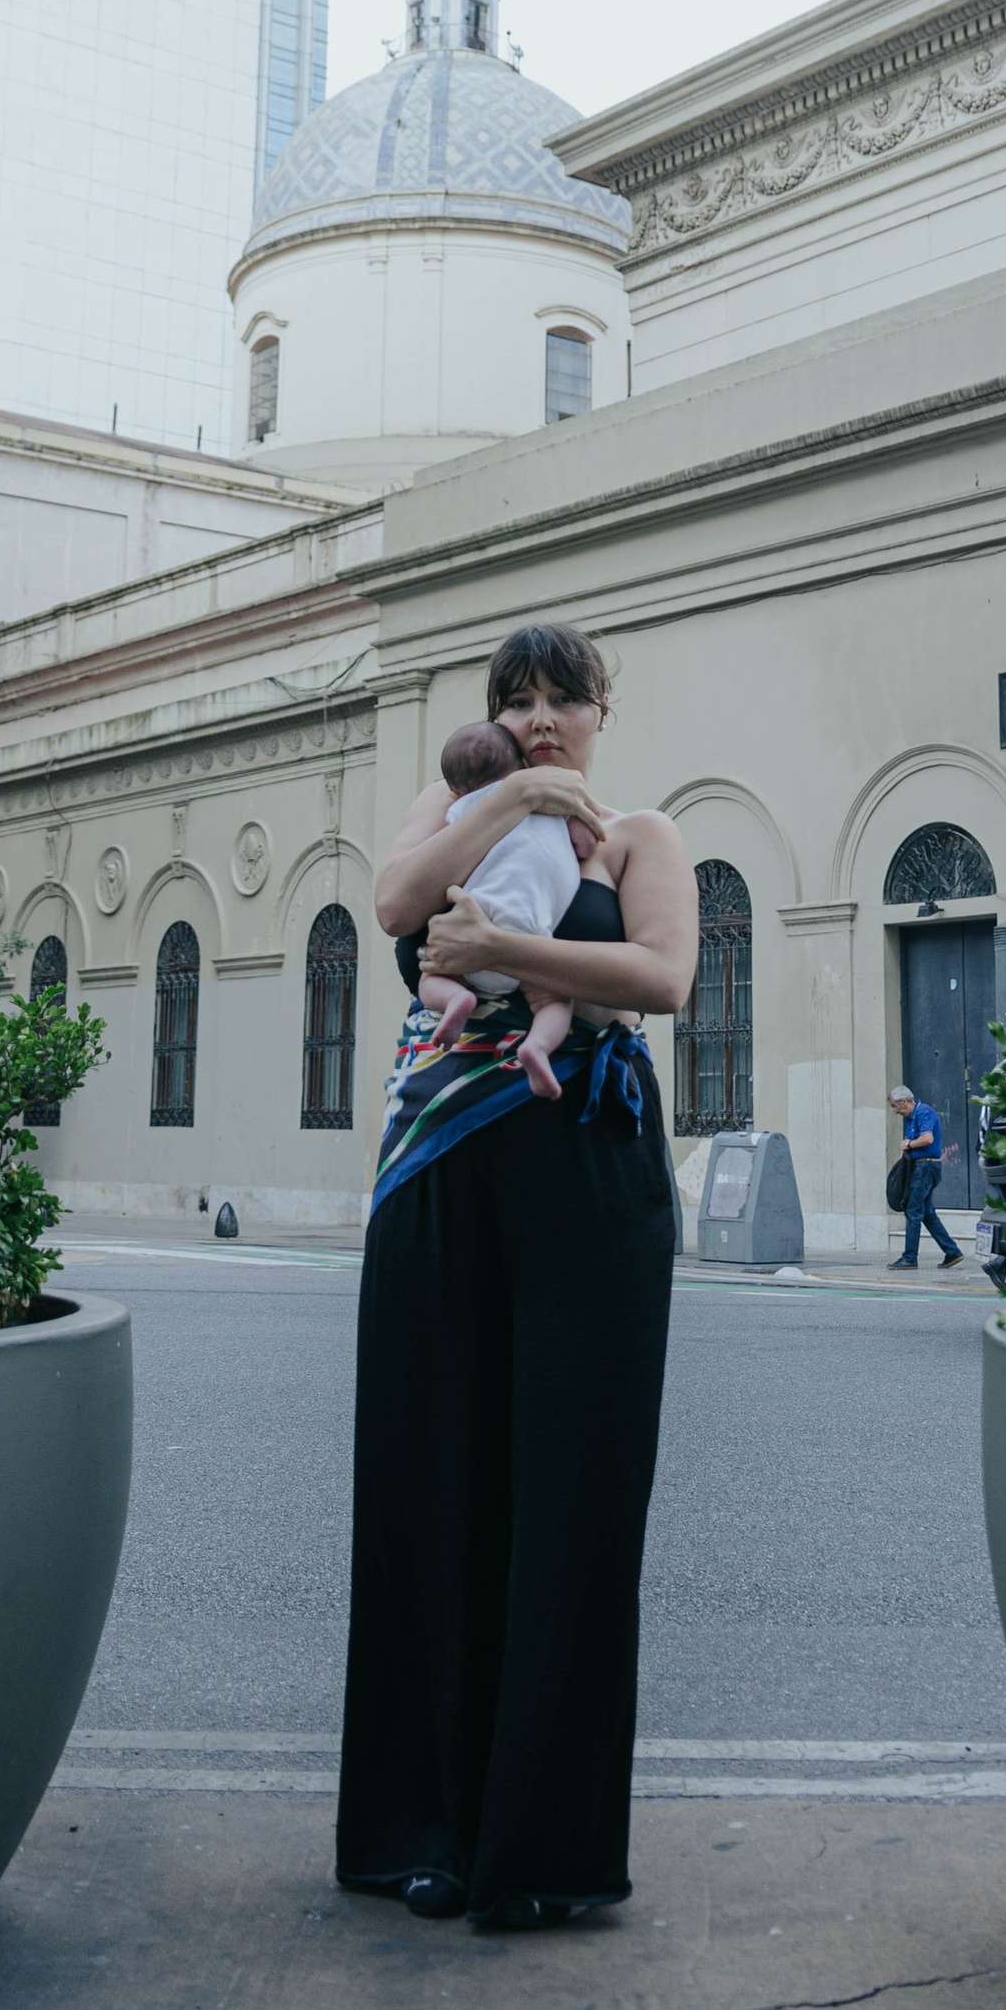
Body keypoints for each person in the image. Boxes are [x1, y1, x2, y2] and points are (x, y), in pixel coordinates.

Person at [340, 617, 698, 1931]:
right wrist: (523, 796)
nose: (543, 714)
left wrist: (511, 954)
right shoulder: (454, 803)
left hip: (593, 1190)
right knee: (431, 1490)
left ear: (605, 704)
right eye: (519, 698)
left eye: (565, 699)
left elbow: (661, 973)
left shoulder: (644, 837)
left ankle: (538, 1846)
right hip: (438, 1180)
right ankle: (423, 1826)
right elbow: (392, 908)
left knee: (574, 1505)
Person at [403, 715, 591, 1099]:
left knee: (430, 978)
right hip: (533, 935)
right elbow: (586, 846)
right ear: (521, 766)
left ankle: (456, 997)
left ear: (454, 792)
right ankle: (537, 1046)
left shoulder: (461, 815)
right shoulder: (553, 803)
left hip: (473, 923)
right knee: (553, 1001)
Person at [889, 1083, 963, 1270]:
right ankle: (952, 1252)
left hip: (926, 1166)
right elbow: (906, 1146)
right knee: (928, 1214)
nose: (895, 1111)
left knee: (913, 1211)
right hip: (918, 1166)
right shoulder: (909, 1117)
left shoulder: (924, 1112)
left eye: (894, 1106)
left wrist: (910, 1144)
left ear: (904, 1101)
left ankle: (910, 1258)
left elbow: (927, 1139)